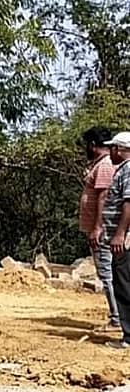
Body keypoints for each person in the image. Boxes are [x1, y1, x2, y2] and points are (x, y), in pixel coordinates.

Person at [78, 127, 120, 332]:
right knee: (108, 273)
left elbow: (103, 197)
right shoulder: (100, 165)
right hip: (102, 230)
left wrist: (98, 227)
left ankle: (117, 319)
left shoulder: (104, 166)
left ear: (93, 145)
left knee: (107, 274)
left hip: (102, 232)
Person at [101, 131, 130, 348]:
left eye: (112, 148)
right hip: (121, 237)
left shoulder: (128, 171)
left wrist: (120, 234)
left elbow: (128, 203)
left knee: (124, 285)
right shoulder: (123, 171)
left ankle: (128, 337)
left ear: (120, 150)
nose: (109, 152)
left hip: (125, 240)